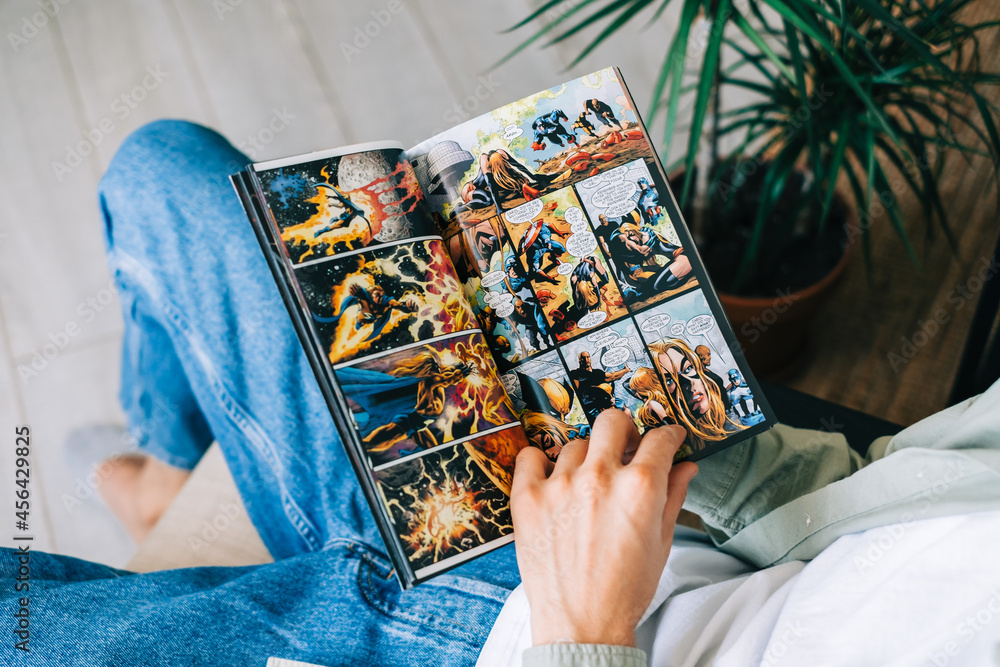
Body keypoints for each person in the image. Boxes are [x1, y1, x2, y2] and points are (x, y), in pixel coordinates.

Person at [5, 121, 1000, 666]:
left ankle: (192, 507)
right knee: (161, 173)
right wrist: (637, 389)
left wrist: (582, 633)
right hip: (602, 514)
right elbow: (870, 494)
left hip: (523, 637)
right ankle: (177, 472)